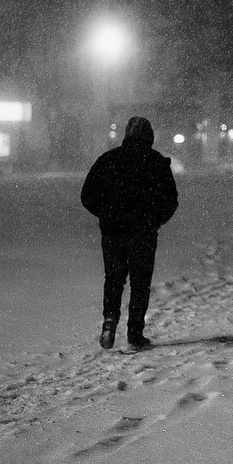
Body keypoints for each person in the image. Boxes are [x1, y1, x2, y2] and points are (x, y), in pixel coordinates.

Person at [81, 116, 178, 351]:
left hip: (113, 234)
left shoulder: (108, 160)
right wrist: (154, 220)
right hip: (143, 235)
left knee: (113, 280)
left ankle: (110, 320)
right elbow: (171, 201)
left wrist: (106, 215)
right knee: (140, 284)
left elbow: (87, 196)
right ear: (149, 136)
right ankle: (135, 334)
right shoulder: (156, 162)